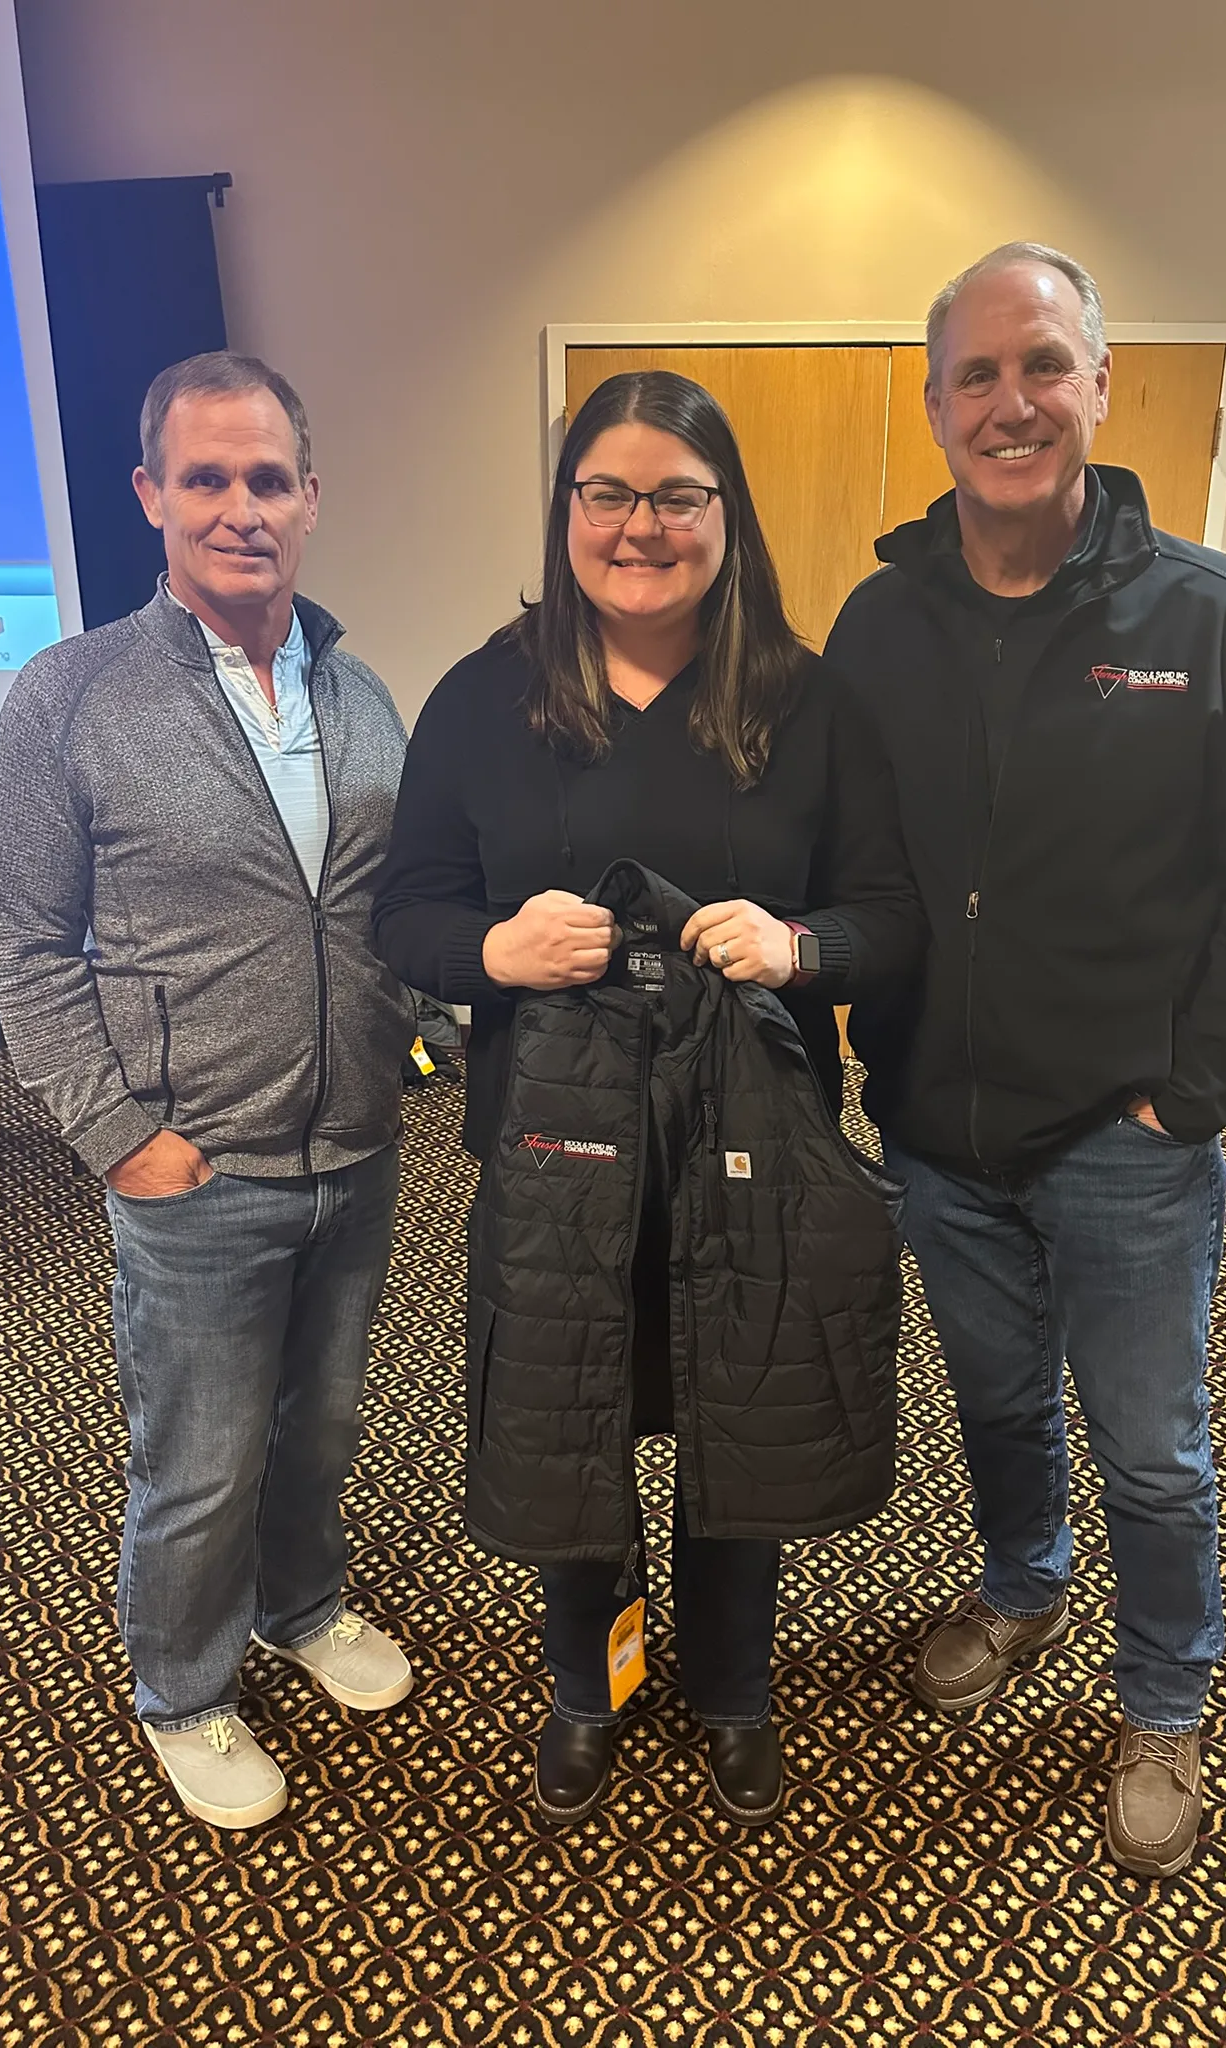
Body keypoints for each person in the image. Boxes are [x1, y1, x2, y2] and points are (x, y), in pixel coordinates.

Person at [825, 243, 1226, 1877]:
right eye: (976, 375)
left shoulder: (1213, 613)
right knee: (997, 1403)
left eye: (1043, 364)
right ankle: (1023, 1587)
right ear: (934, 408)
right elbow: (850, 856)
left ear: (1100, 388)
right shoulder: (882, 621)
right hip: (938, 1123)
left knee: (1152, 1444)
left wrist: (1194, 1090)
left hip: (1127, 1136)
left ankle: (1167, 1698)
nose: (1012, 402)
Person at [373, 370, 924, 1827]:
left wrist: (799, 949)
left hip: (754, 1146)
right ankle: (590, 1687)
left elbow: (891, 919)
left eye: (678, 496)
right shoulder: (483, 700)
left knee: (745, 1409)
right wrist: (493, 954)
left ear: (727, 515)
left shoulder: (809, 702)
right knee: (575, 1421)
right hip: (556, 1152)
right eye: (608, 493)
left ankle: (734, 1688)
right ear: (566, 510)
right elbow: (406, 915)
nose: (640, 526)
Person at [0, 351, 418, 1830]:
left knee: (323, 1425)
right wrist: (118, 1137)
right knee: (201, 1459)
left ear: (312, 498)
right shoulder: (69, 696)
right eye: (208, 477)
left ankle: (301, 1609)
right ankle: (182, 1687)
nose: (243, 507)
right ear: (150, 495)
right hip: (194, 1164)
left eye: (269, 478)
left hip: (355, 1146)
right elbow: (27, 943)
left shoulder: (359, 690)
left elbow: (390, 908)